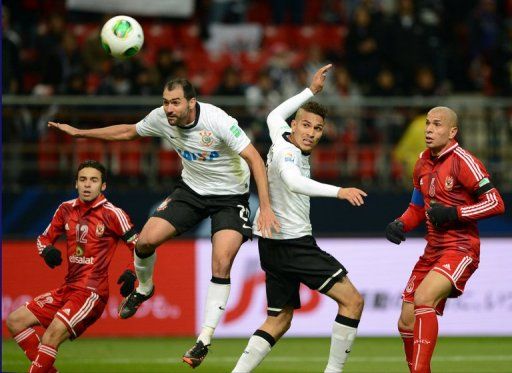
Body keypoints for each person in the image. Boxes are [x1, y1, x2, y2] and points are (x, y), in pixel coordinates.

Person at [48, 78, 279, 368]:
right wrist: (81, 133)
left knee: (221, 260)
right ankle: (144, 288)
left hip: (230, 197)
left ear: (191, 103)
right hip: (191, 191)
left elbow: (255, 159)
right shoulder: (162, 118)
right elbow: (129, 131)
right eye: (165, 102)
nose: (168, 108)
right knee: (144, 241)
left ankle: (204, 339)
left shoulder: (218, 120)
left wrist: (266, 208)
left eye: (175, 102)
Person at [232, 64, 367, 373]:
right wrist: (340, 191)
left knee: (279, 319)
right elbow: (294, 182)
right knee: (353, 302)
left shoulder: (281, 136)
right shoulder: (288, 154)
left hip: (272, 244)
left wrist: (311, 91)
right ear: (295, 125)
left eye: (317, 129)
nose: (310, 133)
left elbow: (272, 116)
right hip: (294, 244)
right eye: (305, 125)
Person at [385, 106, 505, 373]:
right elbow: (417, 208)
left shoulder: (464, 161)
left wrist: (455, 213)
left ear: (452, 132)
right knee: (405, 322)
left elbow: (496, 203)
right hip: (433, 250)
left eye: (437, 125)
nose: (429, 129)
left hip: (461, 248)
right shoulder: (421, 163)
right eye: (427, 123)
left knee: (424, 298)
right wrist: (401, 223)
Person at [5, 160, 138, 373]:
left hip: (91, 292)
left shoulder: (113, 214)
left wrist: (132, 272)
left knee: (51, 336)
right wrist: (46, 250)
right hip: (68, 288)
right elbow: (43, 239)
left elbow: (139, 247)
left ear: (103, 186)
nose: (87, 185)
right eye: (83, 179)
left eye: (93, 180)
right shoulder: (65, 209)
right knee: (15, 320)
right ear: (76, 183)